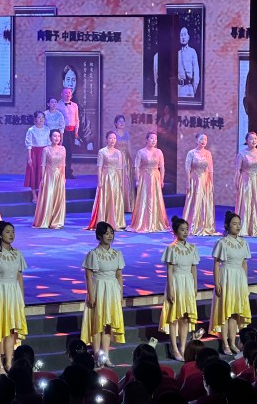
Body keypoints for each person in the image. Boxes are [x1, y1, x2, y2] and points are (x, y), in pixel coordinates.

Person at [0, 221, 28, 372]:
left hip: (13, 294)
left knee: (10, 330)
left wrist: (21, 298)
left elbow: (19, 276)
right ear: (0, 235)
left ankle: (9, 362)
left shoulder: (17, 254)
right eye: (7, 232)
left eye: (13, 232)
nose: (11, 235)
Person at [80, 222, 125, 367]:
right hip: (98, 289)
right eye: (106, 233)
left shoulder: (117, 254)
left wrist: (120, 295)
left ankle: (106, 356)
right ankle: (96, 356)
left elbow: (119, 275)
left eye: (112, 233)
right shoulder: (93, 254)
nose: (110, 236)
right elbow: (88, 276)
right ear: (99, 236)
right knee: (97, 323)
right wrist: (91, 295)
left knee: (108, 324)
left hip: (112, 290)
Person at [209, 211, 252, 355]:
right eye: (234, 224)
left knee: (234, 312)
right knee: (225, 312)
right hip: (226, 277)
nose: (238, 226)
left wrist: (245, 282)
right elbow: (216, 264)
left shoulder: (243, 242)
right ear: (227, 225)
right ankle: (225, 343)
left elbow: (244, 263)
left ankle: (233, 342)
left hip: (239, 278)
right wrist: (217, 283)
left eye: (239, 224)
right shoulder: (222, 243)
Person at [159, 217, 200, 361]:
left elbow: (193, 268)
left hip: (187, 283)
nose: (185, 232)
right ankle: (174, 348)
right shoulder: (171, 248)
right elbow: (169, 271)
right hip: (176, 283)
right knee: (174, 317)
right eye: (182, 230)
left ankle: (182, 348)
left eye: (187, 229)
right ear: (176, 232)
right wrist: (170, 289)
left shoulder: (192, 248)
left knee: (185, 317)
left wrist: (195, 286)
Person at [130, 131, 169, 233]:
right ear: (146, 140)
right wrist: (137, 179)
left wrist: (162, 180)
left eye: (155, 139)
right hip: (144, 177)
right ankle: (143, 222)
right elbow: (136, 167)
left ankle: (156, 222)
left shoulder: (159, 152)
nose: (154, 140)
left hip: (155, 177)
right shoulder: (141, 152)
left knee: (155, 198)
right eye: (151, 138)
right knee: (144, 198)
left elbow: (162, 167)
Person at [234, 132, 257, 237]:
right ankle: (244, 228)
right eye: (251, 139)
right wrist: (236, 183)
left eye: (255, 138)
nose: (254, 141)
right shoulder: (242, 154)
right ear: (246, 141)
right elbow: (238, 171)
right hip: (245, 182)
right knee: (245, 205)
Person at [87, 131, 125, 231]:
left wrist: (120, 181)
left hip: (115, 178)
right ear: (106, 139)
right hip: (106, 178)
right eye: (110, 138)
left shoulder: (118, 152)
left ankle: (115, 221)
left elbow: (120, 168)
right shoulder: (102, 151)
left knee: (115, 199)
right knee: (105, 199)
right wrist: (99, 180)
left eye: (114, 138)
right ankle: (103, 220)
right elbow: (99, 167)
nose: (112, 140)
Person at [32, 129, 67, 229]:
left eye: (58, 136)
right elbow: (43, 165)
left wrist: (64, 177)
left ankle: (56, 221)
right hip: (49, 176)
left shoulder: (63, 149)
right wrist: (43, 178)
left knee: (58, 198)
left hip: (59, 176)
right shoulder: (46, 149)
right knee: (49, 197)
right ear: (50, 138)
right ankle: (45, 220)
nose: (57, 138)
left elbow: (63, 164)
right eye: (54, 136)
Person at [183, 133, 217, 236]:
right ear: (197, 140)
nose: (203, 141)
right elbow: (187, 168)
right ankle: (192, 225)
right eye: (201, 139)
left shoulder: (208, 153)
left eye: (205, 139)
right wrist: (188, 182)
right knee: (194, 201)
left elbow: (210, 169)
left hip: (205, 181)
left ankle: (204, 225)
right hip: (195, 180)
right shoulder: (191, 153)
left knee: (205, 202)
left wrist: (211, 182)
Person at [24, 111, 51, 204]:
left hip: (44, 152)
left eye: (42, 117)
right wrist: (29, 157)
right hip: (34, 153)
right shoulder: (31, 130)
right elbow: (29, 145)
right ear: (35, 119)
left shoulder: (47, 129)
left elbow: (49, 143)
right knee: (33, 173)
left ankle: (42, 194)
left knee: (43, 173)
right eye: (39, 117)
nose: (41, 119)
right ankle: (34, 195)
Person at [113, 115, 134, 213]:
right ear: (115, 123)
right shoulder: (113, 134)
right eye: (119, 121)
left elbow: (129, 149)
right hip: (116, 160)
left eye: (123, 121)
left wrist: (132, 161)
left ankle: (127, 206)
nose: (122, 123)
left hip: (126, 160)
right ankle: (117, 205)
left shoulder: (126, 134)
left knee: (127, 181)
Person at [58, 87, 79, 179]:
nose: (68, 94)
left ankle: (68, 172)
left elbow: (77, 119)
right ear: (62, 94)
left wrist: (76, 131)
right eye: (66, 93)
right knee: (61, 152)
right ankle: (61, 172)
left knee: (69, 152)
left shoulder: (74, 105)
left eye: (69, 92)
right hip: (63, 132)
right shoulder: (58, 105)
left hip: (72, 131)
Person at [177, 27, 200, 97]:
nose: (183, 37)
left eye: (185, 34)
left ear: (188, 37)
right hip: (178, 89)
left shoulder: (192, 52)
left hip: (189, 88)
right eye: (181, 35)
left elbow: (196, 72)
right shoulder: (177, 53)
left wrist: (193, 89)